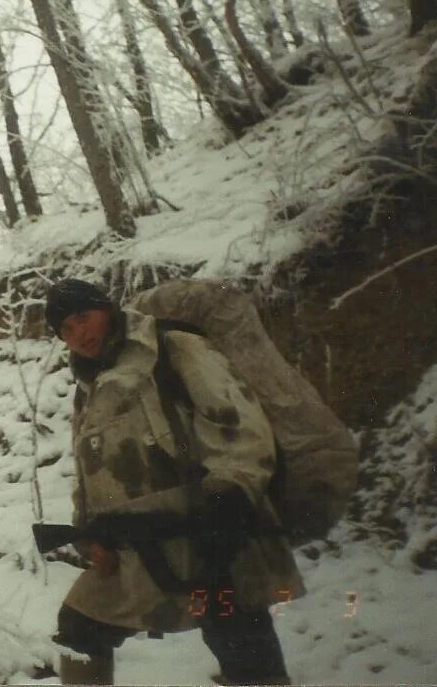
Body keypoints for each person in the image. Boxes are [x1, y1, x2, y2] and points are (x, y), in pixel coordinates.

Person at [44, 278, 303, 686]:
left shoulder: (171, 348)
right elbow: (90, 468)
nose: (80, 334)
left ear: (106, 308)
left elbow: (238, 425)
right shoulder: (89, 385)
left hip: (212, 532)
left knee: (239, 641)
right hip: (138, 548)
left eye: (82, 318)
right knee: (79, 627)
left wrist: (228, 507)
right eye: (66, 330)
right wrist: (91, 533)